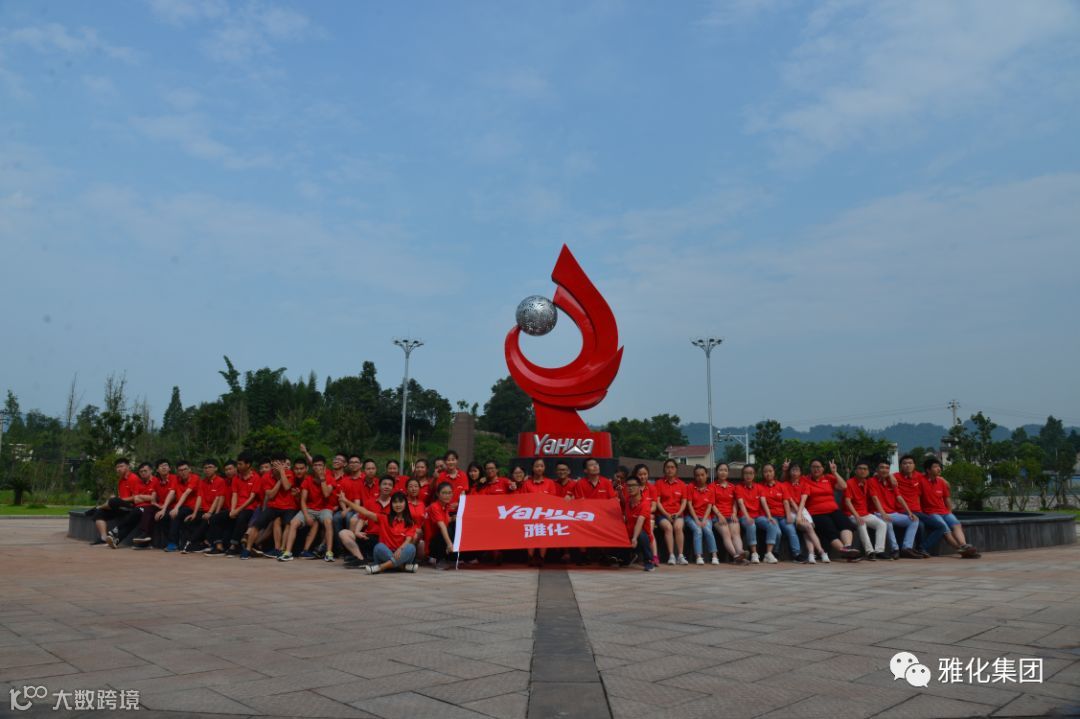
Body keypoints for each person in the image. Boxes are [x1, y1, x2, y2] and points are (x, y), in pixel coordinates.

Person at [798, 460, 861, 561]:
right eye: (813, 467)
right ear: (810, 468)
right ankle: (845, 551)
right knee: (829, 529)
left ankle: (848, 547)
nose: (816, 469)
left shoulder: (828, 478)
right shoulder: (805, 479)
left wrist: (834, 472)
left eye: (818, 467)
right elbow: (789, 479)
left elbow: (844, 486)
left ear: (823, 468)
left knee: (845, 523)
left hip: (833, 510)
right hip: (816, 513)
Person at [279, 458, 338, 562]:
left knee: (328, 522)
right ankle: (288, 552)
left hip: (325, 508)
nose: (317, 467)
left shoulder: (330, 479)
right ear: (312, 467)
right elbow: (303, 501)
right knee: (293, 522)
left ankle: (329, 552)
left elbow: (326, 494)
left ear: (324, 467)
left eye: (320, 465)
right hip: (310, 508)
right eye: (315, 465)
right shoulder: (308, 480)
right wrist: (306, 516)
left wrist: (322, 480)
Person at [922, 457, 979, 558]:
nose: (939, 469)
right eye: (935, 467)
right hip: (931, 512)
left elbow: (947, 498)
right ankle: (962, 550)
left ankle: (964, 546)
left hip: (944, 511)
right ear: (928, 470)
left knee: (956, 524)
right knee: (944, 528)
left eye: (939, 466)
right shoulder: (921, 480)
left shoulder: (941, 482)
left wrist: (949, 511)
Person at [350, 492, 419, 574]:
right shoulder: (384, 518)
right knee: (379, 547)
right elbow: (365, 512)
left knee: (411, 547)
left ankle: (381, 567)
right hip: (385, 553)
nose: (398, 505)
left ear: (406, 504)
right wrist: (346, 501)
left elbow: (408, 540)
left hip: (401, 553)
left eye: (401, 502)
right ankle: (402, 567)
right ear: (391, 505)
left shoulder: (410, 523)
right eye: (395, 502)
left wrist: (400, 549)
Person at [85, 458, 142, 547]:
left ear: (128, 466)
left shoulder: (134, 478)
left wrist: (119, 499)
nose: (119, 469)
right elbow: (120, 497)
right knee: (99, 513)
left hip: (131, 507)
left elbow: (136, 497)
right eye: (117, 467)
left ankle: (98, 507)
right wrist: (117, 499)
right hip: (120, 507)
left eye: (121, 466)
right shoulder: (120, 481)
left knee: (113, 501)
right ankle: (103, 538)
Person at [868, 461, 920, 559]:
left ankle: (907, 548)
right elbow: (874, 498)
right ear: (877, 470)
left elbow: (899, 497)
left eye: (887, 468)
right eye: (882, 467)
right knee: (887, 522)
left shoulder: (891, 482)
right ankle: (895, 549)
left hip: (892, 512)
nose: (884, 470)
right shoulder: (871, 481)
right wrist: (883, 514)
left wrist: (909, 513)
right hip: (877, 512)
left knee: (914, 520)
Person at [842, 460, 889, 560]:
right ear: (855, 471)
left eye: (865, 469)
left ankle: (879, 550)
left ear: (868, 472)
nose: (863, 471)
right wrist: (857, 516)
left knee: (882, 524)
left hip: (865, 513)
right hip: (851, 514)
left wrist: (883, 513)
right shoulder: (850, 482)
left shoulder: (868, 482)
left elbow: (874, 498)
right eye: (860, 468)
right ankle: (869, 552)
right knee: (862, 523)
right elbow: (847, 501)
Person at [735, 465, 779, 564]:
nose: (748, 475)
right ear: (742, 475)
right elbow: (741, 504)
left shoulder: (759, 487)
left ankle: (768, 554)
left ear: (754, 475)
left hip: (758, 516)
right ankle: (754, 553)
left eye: (751, 473)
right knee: (751, 525)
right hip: (744, 516)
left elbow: (764, 502)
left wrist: (769, 516)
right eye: (746, 473)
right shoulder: (738, 487)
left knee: (772, 524)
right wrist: (747, 517)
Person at [783, 461, 825, 563]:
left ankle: (811, 554)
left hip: (802, 509)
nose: (795, 472)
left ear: (801, 472)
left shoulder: (804, 484)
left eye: (797, 470)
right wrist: (799, 515)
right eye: (793, 470)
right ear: (789, 472)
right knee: (808, 527)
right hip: (791, 510)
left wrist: (800, 514)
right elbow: (791, 501)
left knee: (809, 528)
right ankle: (821, 552)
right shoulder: (785, 484)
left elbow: (803, 500)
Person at [760, 464, 803, 562]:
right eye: (765, 471)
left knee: (791, 530)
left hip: (782, 516)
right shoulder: (760, 486)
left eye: (770, 471)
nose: (768, 473)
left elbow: (786, 501)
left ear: (774, 472)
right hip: (770, 516)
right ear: (763, 473)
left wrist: (788, 515)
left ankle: (797, 554)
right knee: (778, 532)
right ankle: (775, 552)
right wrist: (769, 516)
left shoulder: (781, 485)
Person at [710, 463, 747, 564]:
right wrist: (719, 515)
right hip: (717, 516)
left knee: (736, 534)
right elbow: (711, 504)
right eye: (721, 470)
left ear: (728, 473)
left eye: (725, 470)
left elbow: (735, 502)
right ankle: (736, 556)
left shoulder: (732, 487)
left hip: (730, 515)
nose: (723, 472)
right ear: (716, 472)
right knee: (726, 534)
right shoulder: (712, 486)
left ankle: (740, 552)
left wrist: (734, 513)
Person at [654, 459, 688, 565]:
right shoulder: (659, 483)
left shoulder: (682, 484)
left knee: (678, 527)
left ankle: (680, 556)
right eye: (667, 467)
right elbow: (657, 502)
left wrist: (678, 513)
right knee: (668, 527)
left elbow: (684, 502)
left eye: (672, 467)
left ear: (676, 469)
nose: (670, 470)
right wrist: (666, 514)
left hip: (678, 514)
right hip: (663, 514)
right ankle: (671, 555)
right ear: (664, 469)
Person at [684, 465, 719, 565]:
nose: (700, 477)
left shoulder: (711, 489)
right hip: (691, 516)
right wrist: (696, 520)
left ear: (706, 475)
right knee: (698, 530)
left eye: (702, 475)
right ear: (694, 476)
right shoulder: (690, 487)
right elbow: (689, 505)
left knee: (708, 530)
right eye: (697, 475)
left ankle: (714, 556)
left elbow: (709, 507)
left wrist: (704, 520)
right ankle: (699, 556)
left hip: (705, 517)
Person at [621, 474, 656, 571]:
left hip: (640, 538)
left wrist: (634, 538)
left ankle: (649, 561)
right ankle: (630, 556)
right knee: (621, 561)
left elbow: (639, 522)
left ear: (640, 487)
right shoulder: (628, 501)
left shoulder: (645, 504)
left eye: (633, 485)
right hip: (629, 535)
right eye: (628, 486)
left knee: (641, 535)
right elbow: (622, 501)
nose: (630, 488)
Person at [166, 460, 202, 552]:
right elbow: (171, 492)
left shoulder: (195, 478)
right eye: (180, 470)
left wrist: (176, 508)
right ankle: (168, 542)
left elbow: (186, 493)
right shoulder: (176, 479)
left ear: (190, 469)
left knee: (177, 514)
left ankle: (173, 543)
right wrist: (163, 508)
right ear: (177, 472)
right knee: (165, 514)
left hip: (192, 507)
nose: (183, 472)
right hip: (182, 506)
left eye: (185, 469)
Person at [426, 482, 458, 568]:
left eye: (449, 493)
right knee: (448, 529)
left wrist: (453, 519)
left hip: (438, 538)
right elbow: (442, 526)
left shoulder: (445, 506)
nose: (447, 496)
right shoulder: (434, 506)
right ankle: (439, 559)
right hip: (431, 544)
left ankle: (451, 557)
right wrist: (449, 544)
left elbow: (446, 520)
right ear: (438, 494)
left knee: (455, 524)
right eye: (444, 493)